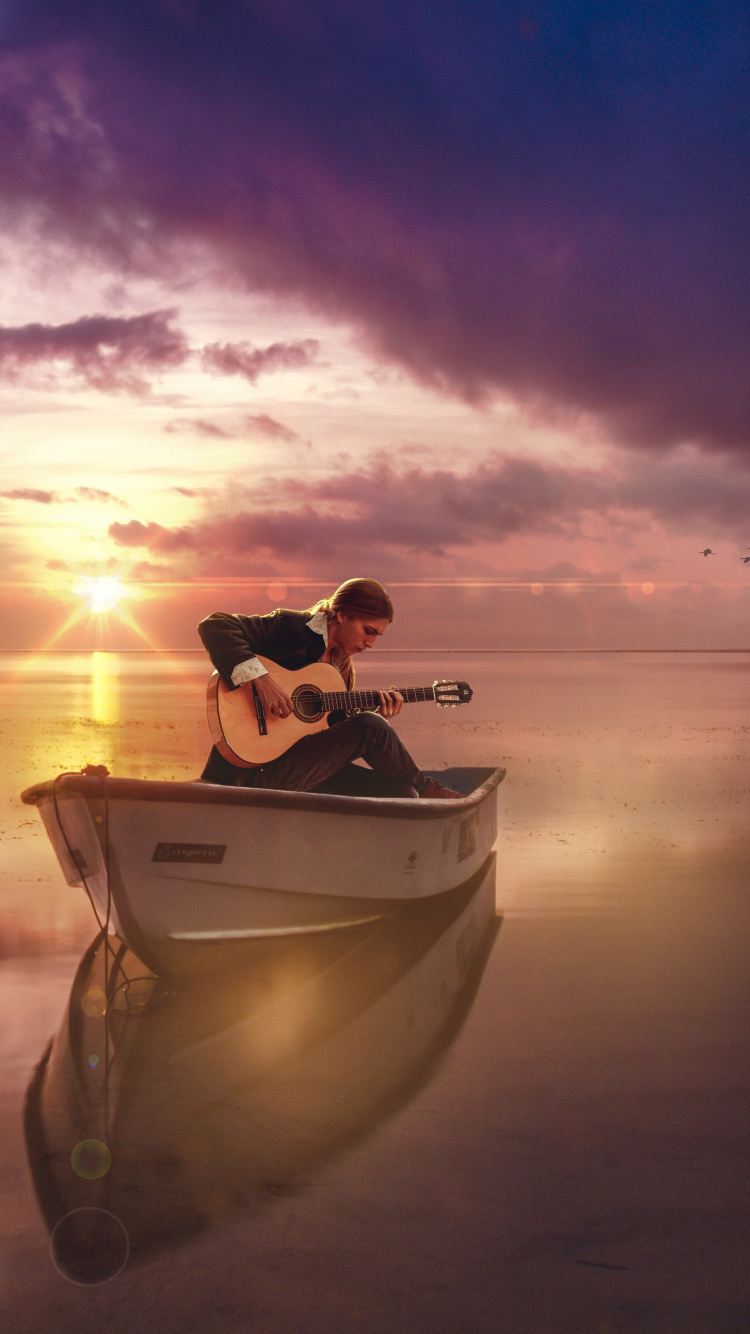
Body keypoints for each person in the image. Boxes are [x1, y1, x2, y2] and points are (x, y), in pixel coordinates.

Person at [198, 578, 459, 798]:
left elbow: (325, 731)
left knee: (401, 792)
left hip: (297, 767)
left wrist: (375, 713)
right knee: (371, 727)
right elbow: (215, 625)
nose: (371, 643)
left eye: (377, 635)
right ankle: (430, 791)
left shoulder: (339, 667)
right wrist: (262, 680)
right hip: (250, 773)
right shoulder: (291, 628)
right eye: (368, 631)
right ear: (342, 614)